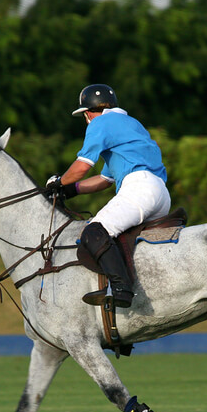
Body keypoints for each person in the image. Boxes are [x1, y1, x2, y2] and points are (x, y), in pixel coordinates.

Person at [44, 84, 171, 308]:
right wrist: (70, 190)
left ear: (88, 113)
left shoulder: (100, 123)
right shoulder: (132, 124)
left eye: (84, 115)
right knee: (118, 235)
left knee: (94, 232)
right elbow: (105, 179)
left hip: (139, 189)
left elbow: (82, 167)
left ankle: (121, 289)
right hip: (160, 193)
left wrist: (58, 182)